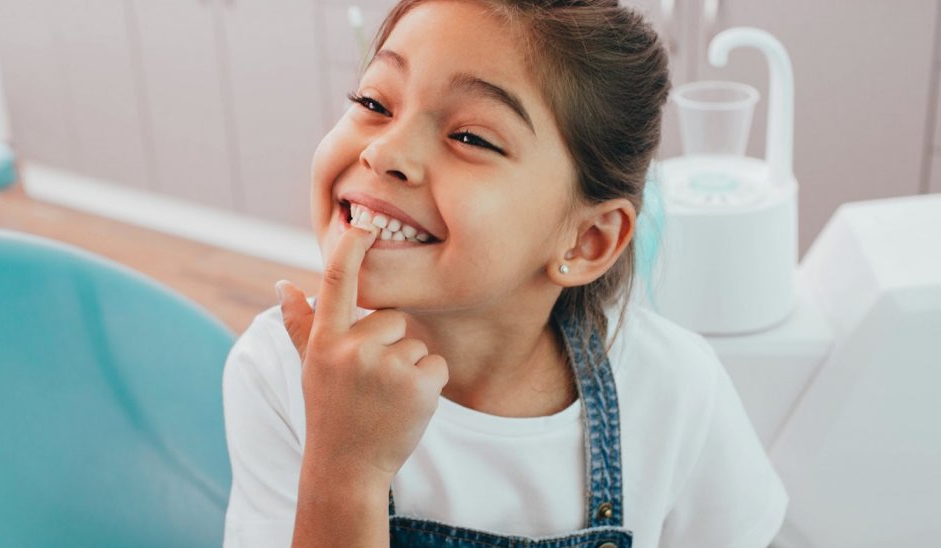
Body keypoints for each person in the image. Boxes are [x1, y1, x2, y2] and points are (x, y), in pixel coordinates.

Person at [221, 0, 788, 546]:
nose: (385, 151)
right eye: (374, 102)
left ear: (587, 241)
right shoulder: (278, 371)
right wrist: (345, 468)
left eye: (470, 137)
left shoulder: (678, 392)